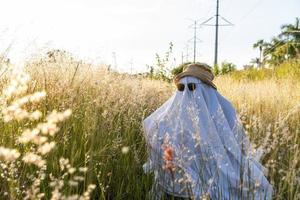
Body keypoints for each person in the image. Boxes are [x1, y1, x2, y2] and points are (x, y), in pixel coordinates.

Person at [142, 63, 273, 200]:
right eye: (181, 87)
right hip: (181, 176)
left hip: (217, 166)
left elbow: (236, 141)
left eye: (192, 87)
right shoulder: (173, 113)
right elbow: (154, 128)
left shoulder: (224, 108)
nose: (186, 92)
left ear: (205, 89)